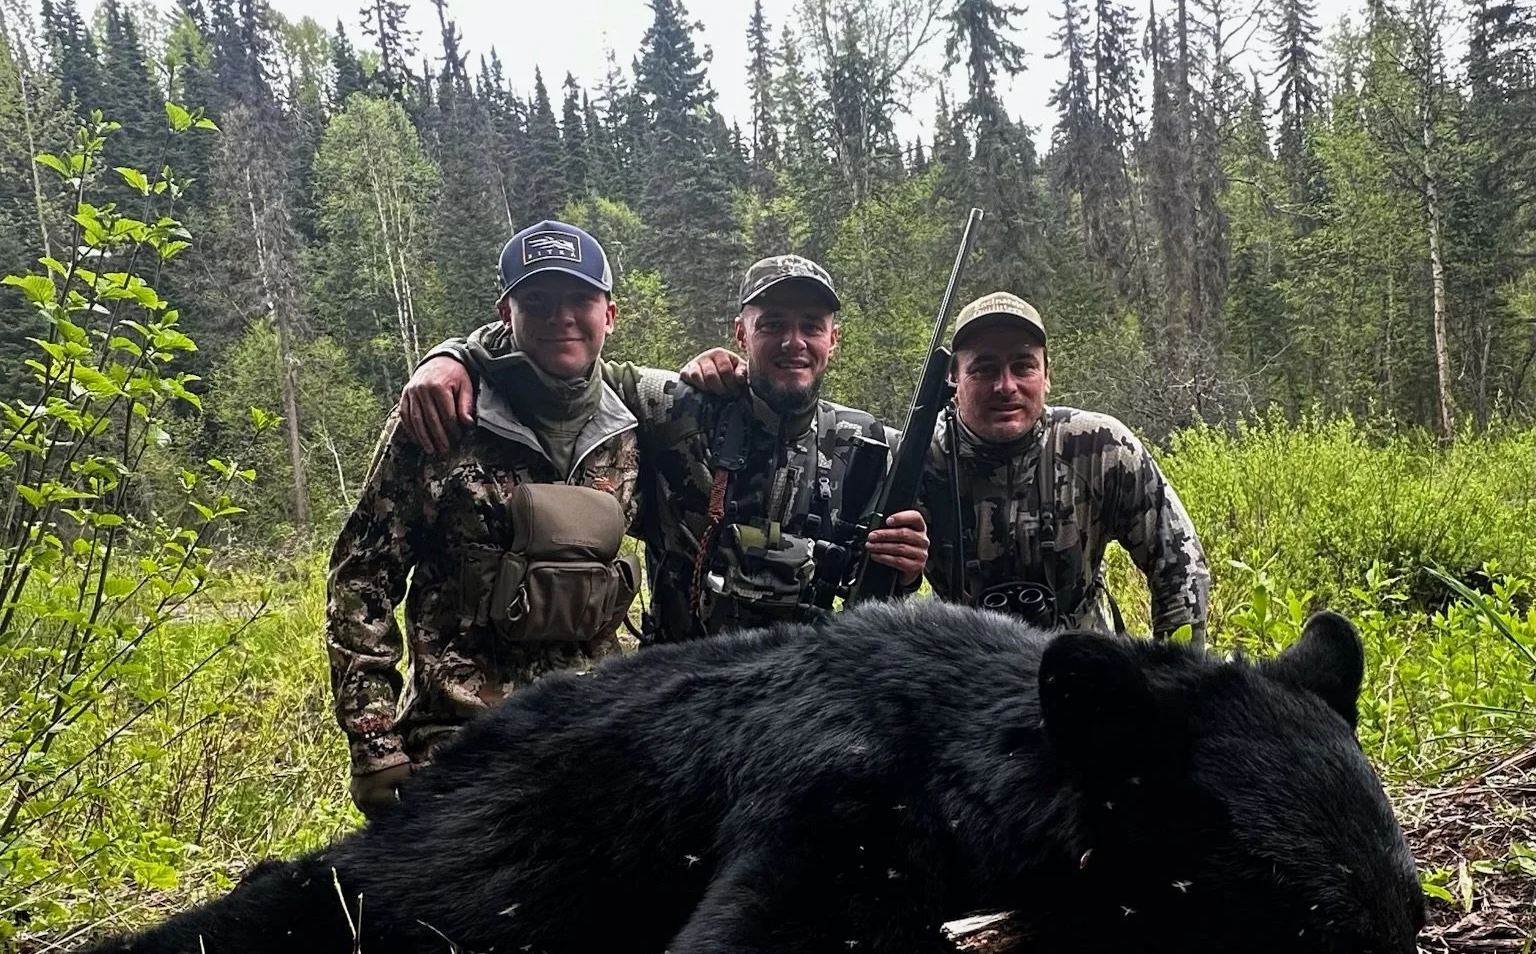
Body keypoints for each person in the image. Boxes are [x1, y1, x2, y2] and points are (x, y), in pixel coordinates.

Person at [398, 252, 929, 639]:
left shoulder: (874, 448)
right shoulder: (677, 407)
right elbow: (563, 359)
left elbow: (880, 598)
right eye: (772, 326)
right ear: (741, 335)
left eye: (811, 326)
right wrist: (452, 356)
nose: (794, 342)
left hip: (810, 700)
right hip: (684, 694)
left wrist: (904, 575)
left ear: (834, 339)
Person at [328, 220, 643, 815]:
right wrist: (373, 739)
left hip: (598, 732)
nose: (561, 317)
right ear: (506, 311)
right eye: (537, 301)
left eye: (580, 298)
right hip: (461, 740)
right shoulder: (441, 418)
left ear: (610, 313)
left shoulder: (637, 424)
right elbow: (362, 578)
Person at [919, 292, 1209, 645]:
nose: (1006, 386)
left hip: (1082, 660)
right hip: (963, 668)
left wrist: (1176, 677)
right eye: (984, 369)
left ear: (1047, 375)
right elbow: (878, 589)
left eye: (1023, 365)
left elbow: (1180, 562)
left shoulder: (1099, 446)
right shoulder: (920, 460)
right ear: (953, 380)